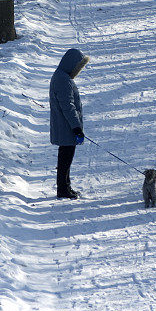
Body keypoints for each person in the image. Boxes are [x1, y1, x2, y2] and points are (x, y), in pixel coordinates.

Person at [49, 47, 89, 199]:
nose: (78, 71)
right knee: (65, 159)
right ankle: (63, 189)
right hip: (66, 127)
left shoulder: (62, 77)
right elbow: (68, 106)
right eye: (78, 67)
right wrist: (76, 127)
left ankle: (66, 187)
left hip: (65, 127)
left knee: (66, 158)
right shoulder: (62, 80)